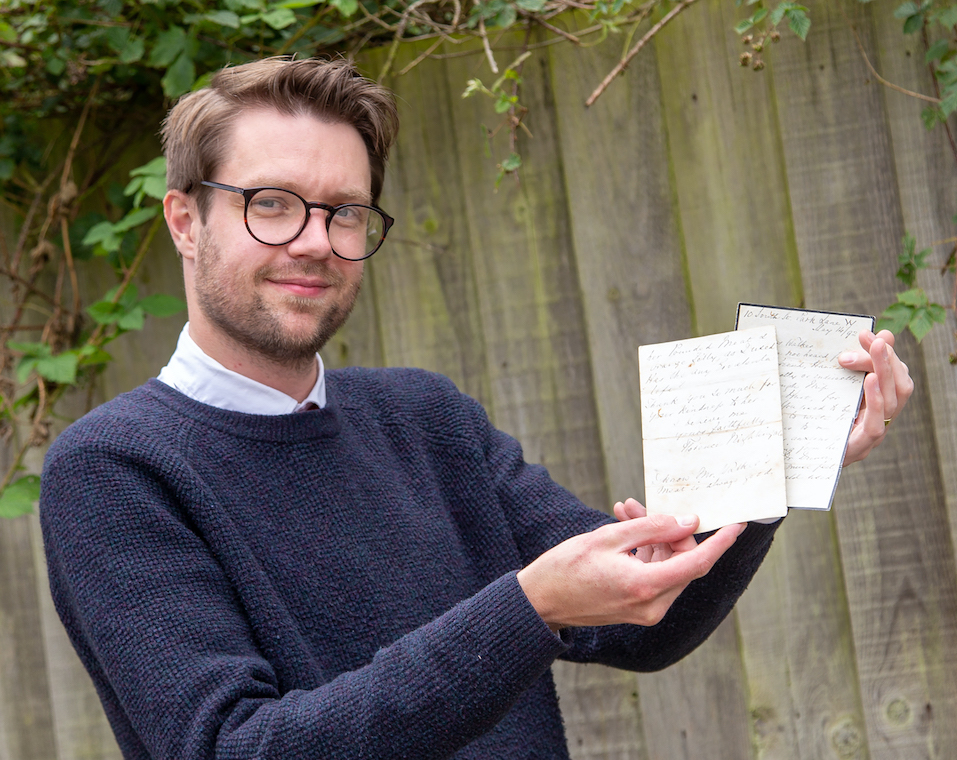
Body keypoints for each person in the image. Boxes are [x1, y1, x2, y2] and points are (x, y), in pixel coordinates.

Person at [39, 57, 913, 760]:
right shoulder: (115, 470)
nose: (314, 240)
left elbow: (646, 620)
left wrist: (785, 452)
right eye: (271, 204)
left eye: (345, 212)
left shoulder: (426, 420)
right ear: (186, 220)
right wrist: (528, 607)